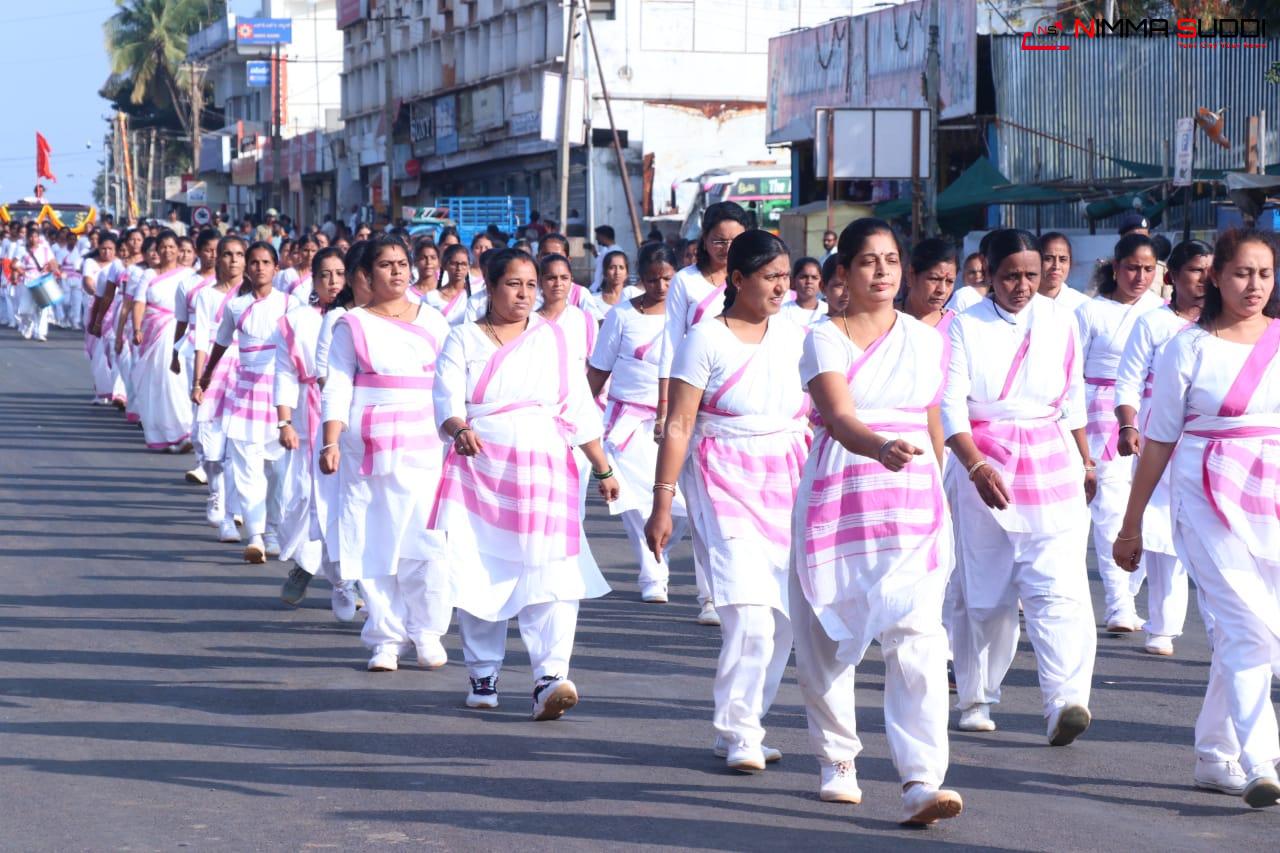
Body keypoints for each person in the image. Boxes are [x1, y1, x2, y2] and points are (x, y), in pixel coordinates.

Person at [790, 217, 963, 825]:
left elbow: (934, 420)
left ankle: (922, 779)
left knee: (918, 635)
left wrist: (938, 478)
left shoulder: (928, 339)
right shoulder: (822, 337)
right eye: (868, 261)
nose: (883, 271)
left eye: (892, 260)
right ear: (843, 273)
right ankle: (837, 759)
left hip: (912, 500)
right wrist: (879, 445)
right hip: (841, 490)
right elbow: (837, 416)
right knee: (827, 638)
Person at [1114, 227, 1279, 808]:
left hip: (1271, 499)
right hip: (1204, 497)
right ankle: (1262, 759)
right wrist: (1131, 524)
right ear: (1216, 277)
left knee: (1258, 630)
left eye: (1263, 273)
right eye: (1241, 273)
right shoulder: (1188, 346)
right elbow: (1158, 441)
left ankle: (1213, 753)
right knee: (1244, 626)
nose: (1253, 285)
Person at [430, 248, 618, 719]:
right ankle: (483, 673)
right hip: (481, 467)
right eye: (514, 284)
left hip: (546, 468)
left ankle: (549, 677)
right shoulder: (463, 340)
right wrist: (459, 429)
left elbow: (577, 406)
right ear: (490, 287)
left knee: (551, 573)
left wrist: (603, 466)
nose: (525, 294)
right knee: (479, 570)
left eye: (531, 285)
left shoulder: (551, 338)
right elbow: (445, 399)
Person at [646, 230, 808, 773]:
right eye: (770, 277)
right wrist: (663, 501)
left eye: (785, 276)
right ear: (737, 279)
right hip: (723, 476)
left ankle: (745, 723)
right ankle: (740, 732)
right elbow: (680, 422)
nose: (781, 287)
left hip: (789, 473)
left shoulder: (799, 334)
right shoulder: (704, 339)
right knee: (749, 616)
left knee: (786, 618)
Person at [943, 228, 1098, 744]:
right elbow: (950, 405)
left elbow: (1073, 394)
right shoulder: (961, 326)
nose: (1024, 285)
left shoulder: (1062, 320)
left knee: (1057, 587)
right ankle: (976, 695)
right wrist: (974, 465)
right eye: (1012, 275)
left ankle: (1063, 701)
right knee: (985, 595)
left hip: (1051, 461)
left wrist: (1085, 458)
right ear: (987, 270)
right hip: (985, 464)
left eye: (1032, 275)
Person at [317, 236, 454, 671]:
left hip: (426, 443)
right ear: (367, 274)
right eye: (386, 265)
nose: (396, 271)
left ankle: (427, 631)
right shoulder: (352, 324)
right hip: (367, 446)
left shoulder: (434, 321)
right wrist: (331, 440)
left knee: (425, 540)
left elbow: (453, 384)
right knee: (374, 541)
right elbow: (336, 384)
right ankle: (385, 638)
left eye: (401, 263)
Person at [657, 201, 753, 626]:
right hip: (696, 403)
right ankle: (709, 593)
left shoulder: (757, 279)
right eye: (718, 239)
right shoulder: (686, 283)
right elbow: (670, 344)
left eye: (734, 241)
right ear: (704, 240)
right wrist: (666, 407)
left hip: (745, 408)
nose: (726, 247)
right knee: (702, 505)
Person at [1114, 239, 1211, 656]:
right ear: (1173, 277)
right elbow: (1129, 379)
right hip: (1160, 430)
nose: (1203, 279)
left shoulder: (1223, 324)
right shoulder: (1153, 323)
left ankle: (1222, 629)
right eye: (1194, 270)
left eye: (1210, 270)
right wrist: (1128, 424)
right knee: (1158, 528)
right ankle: (1163, 626)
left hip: (1208, 434)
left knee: (1208, 531)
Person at [588, 243, 686, 603]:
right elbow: (598, 371)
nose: (660, 287)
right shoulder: (621, 316)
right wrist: (580, 419)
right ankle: (653, 576)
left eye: (667, 279)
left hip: (676, 423)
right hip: (627, 423)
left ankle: (659, 548)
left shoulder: (689, 317)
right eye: (652, 279)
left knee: (683, 507)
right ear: (639, 279)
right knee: (635, 506)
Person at [1077, 233, 1165, 633]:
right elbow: (1071, 372)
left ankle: (1130, 589)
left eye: (1149, 269)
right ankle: (1118, 604)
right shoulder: (1090, 311)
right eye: (1132, 267)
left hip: (1150, 416)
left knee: (1149, 509)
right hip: (1099, 415)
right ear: (1115, 268)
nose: (1140, 276)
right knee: (1111, 511)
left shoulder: (1161, 311)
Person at [199, 241, 296, 563]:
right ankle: (254, 535)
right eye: (253, 262)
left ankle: (273, 529)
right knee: (246, 468)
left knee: (279, 472)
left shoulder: (290, 304)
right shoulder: (236, 306)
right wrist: (206, 375)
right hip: (245, 395)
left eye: (265, 262)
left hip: (280, 395)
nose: (258, 268)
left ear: (276, 268)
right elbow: (221, 342)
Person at [276, 247, 346, 608]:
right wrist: (285, 420)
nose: (333, 282)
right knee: (305, 500)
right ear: (313, 280)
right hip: (308, 417)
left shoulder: (359, 316)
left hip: (348, 420)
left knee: (343, 502)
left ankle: (344, 582)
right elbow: (285, 372)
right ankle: (304, 565)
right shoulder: (295, 320)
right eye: (325, 275)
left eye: (339, 273)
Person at [190, 236, 248, 542]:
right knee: (212, 451)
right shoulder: (206, 297)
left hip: (247, 376)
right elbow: (202, 341)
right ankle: (215, 491)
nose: (233, 261)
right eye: (227, 254)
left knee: (237, 449)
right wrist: (199, 380)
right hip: (215, 373)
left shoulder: (254, 297)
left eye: (239, 255)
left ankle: (232, 511)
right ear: (218, 259)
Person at [130, 230, 195, 452]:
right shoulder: (148, 274)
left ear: (178, 250)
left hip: (181, 332)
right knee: (158, 384)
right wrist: (137, 328)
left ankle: (185, 431)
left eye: (171, 246)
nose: (168, 251)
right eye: (163, 247)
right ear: (157, 250)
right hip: (154, 334)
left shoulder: (188, 275)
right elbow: (138, 303)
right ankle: (165, 434)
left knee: (176, 382)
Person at [899, 238, 956, 330]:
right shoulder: (886, 319)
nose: (942, 290)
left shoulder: (956, 325)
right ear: (911, 276)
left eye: (949, 281)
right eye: (934, 279)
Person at [14, 223, 58, 342]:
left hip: (42, 280)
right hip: (28, 280)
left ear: (39, 238)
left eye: (35, 236)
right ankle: (28, 326)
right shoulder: (22, 249)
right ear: (27, 238)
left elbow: (53, 262)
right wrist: (22, 272)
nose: (33, 239)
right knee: (24, 310)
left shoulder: (45, 249)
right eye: (31, 236)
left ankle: (40, 332)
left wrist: (50, 268)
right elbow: (14, 264)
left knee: (42, 307)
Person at [1037, 232, 1089, 313]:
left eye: (1062, 259)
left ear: (1070, 263)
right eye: (1048, 259)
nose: (1056, 266)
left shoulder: (1083, 305)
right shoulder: (1022, 303)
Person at [781, 256, 825, 328]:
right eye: (804, 277)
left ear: (821, 283)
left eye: (814, 278)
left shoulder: (828, 311)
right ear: (793, 281)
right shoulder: (782, 312)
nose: (809, 281)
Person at [592, 225, 617, 291]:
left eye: (597, 236)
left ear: (603, 236)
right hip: (598, 287)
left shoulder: (615, 252)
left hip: (604, 289)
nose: (596, 239)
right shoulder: (606, 250)